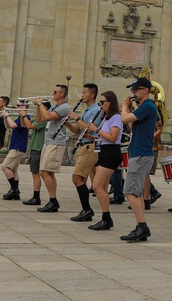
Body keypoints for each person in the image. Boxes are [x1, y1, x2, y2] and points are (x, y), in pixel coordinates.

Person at [119, 76, 158, 242]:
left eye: (136, 89)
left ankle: (142, 226)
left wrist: (125, 107)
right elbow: (131, 125)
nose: (133, 92)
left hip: (141, 154)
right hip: (139, 153)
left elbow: (124, 119)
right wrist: (129, 109)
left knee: (129, 191)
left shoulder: (148, 105)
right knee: (138, 193)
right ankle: (139, 226)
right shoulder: (144, 107)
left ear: (145, 90)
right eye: (132, 90)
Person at [64, 83, 102, 222]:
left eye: (84, 92)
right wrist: (68, 124)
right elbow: (79, 131)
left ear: (92, 95)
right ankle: (85, 210)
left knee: (77, 178)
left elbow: (89, 129)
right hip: (83, 146)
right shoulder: (87, 110)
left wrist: (76, 118)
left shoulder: (96, 110)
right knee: (81, 179)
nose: (82, 95)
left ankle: (87, 210)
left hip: (90, 147)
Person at [33, 84, 72, 212]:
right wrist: (38, 107)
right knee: (48, 172)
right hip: (49, 141)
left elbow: (49, 117)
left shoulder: (64, 107)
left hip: (56, 142)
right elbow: (39, 119)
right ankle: (52, 200)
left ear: (62, 94)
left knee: (44, 172)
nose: (53, 93)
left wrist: (40, 104)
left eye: (55, 92)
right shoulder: (55, 106)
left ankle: (53, 201)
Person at [88, 91, 123, 231]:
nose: (101, 105)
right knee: (101, 187)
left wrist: (96, 129)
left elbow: (113, 137)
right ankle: (105, 218)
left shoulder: (116, 117)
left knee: (97, 186)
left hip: (111, 153)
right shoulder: (105, 118)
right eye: (100, 102)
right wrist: (91, 136)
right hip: (104, 151)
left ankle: (106, 218)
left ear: (111, 103)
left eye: (103, 102)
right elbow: (103, 137)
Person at [20, 101, 48, 206]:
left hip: (38, 148)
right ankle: (35, 196)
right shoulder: (40, 118)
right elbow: (24, 125)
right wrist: (23, 116)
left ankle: (36, 197)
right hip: (34, 147)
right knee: (34, 173)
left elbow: (30, 126)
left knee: (36, 174)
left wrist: (24, 115)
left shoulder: (45, 119)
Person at [0, 103, 29, 200]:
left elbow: (13, 125)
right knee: (13, 170)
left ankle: (14, 189)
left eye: (21, 106)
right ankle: (15, 192)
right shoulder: (19, 117)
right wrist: (5, 117)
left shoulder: (25, 117)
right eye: (17, 106)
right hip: (16, 146)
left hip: (18, 146)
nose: (18, 108)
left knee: (4, 167)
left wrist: (8, 116)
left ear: (26, 108)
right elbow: (8, 126)